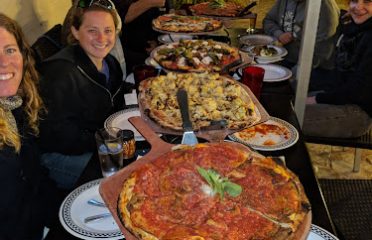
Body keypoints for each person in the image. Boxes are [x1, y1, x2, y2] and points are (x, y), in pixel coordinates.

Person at [38, 0, 128, 189]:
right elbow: (56, 135)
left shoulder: (109, 62)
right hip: (61, 157)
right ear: (76, 32)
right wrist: (105, 142)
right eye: (92, 30)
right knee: (124, 177)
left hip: (97, 142)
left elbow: (115, 104)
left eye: (108, 30)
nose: (102, 38)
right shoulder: (60, 73)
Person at [0, 13, 59, 240]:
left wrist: (67, 215)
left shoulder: (16, 106)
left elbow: (36, 178)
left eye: (9, 50)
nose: (4, 63)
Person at [303, 0, 372, 138]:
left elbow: (359, 91)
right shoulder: (355, 28)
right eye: (354, 1)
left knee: (288, 119)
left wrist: (318, 98)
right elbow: (340, 76)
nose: (358, 7)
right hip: (342, 96)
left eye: (367, 1)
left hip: (359, 114)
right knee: (289, 100)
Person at [263, 0, 340, 72]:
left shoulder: (324, 8)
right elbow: (269, 20)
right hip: (282, 60)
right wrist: (279, 34)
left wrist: (293, 77)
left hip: (313, 71)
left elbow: (321, 53)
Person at [112, 0, 166, 73]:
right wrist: (151, 1)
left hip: (150, 48)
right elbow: (119, 17)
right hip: (125, 53)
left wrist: (157, 43)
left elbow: (159, 20)